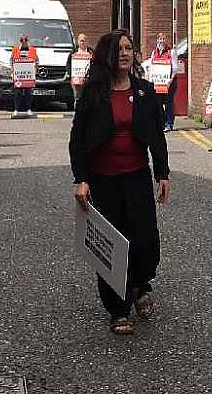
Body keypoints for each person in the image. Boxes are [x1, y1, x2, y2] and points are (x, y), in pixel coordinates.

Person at [69, 29, 172, 335]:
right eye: (119, 49)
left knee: (145, 240)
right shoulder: (93, 93)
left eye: (129, 48)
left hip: (137, 175)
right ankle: (118, 309)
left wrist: (162, 174)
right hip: (103, 179)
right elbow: (78, 141)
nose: (126, 53)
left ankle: (141, 283)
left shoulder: (144, 90)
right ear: (108, 55)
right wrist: (82, 179)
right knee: (111, 245)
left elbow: (156, 136)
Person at [151, 33, 179, 132]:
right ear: (157, 40)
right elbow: (152, 67)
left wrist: (170, 80)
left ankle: (169, 123)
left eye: (163, 38)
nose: (162, 41)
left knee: (168, 103)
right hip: (158, 83)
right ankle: (162, 122)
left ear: (166, 40)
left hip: (170, 83)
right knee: (158, 103)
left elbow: (175, 68)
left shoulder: (171, 52)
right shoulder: (154, 52)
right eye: (160, 39)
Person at [12, 34, 37, 118]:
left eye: (25, 40)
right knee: (17, 93)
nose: (23, 42)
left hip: (29, 76)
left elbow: (36, 61)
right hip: (18, 76)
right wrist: (12, 72)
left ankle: (29, 109)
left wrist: (35, 71)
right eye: (21, 40)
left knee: (28, 93)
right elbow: (12, 61)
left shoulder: (32, 50)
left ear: (27, 40)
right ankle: (16, 110)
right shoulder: (15, 50)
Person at [72, 33, 94, 100]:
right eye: (81, 41)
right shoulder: (73, 52)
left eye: (84, 41)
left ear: (87, 42)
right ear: (78, 41)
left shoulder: (91, 52)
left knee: (89, 98)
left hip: (89, 81)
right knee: (78, 98)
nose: (82, 42)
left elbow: (96, 64)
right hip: (76, 82)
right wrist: (71, 74)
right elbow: (68, 64)